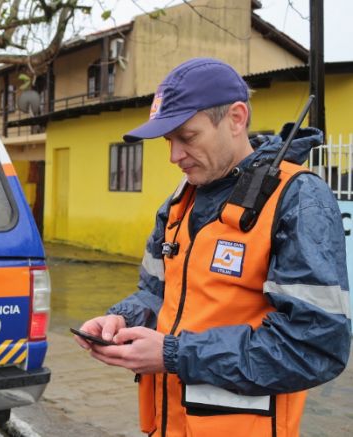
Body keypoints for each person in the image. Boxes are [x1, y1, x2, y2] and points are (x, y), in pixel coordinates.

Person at [74, 57, 351, 437]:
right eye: (169, 141)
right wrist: (121, 321)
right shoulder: (179, 202)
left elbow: (316, 348)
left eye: (187, 137)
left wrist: (173, 353)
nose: (174, 156)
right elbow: (157, 293)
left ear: (236, 118)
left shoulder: (298, 199)